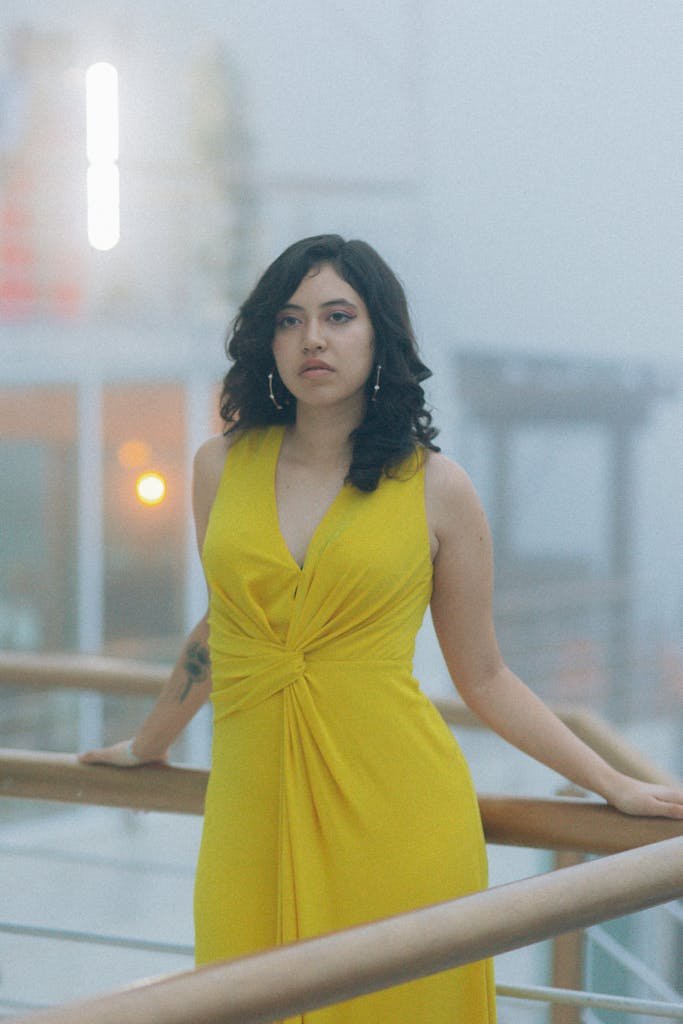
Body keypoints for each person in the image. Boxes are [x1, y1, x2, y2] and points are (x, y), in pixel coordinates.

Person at [80, 234, 683, 1023]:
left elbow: (486, 677)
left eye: (338, 316)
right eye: (290, 321)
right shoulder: (217, 466)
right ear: (268, 339)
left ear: (379, 336)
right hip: (249, 814)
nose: (313, 340)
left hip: (395, 814)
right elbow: (225, 626)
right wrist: (148, 744)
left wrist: (613, 783)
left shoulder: (437, 489)